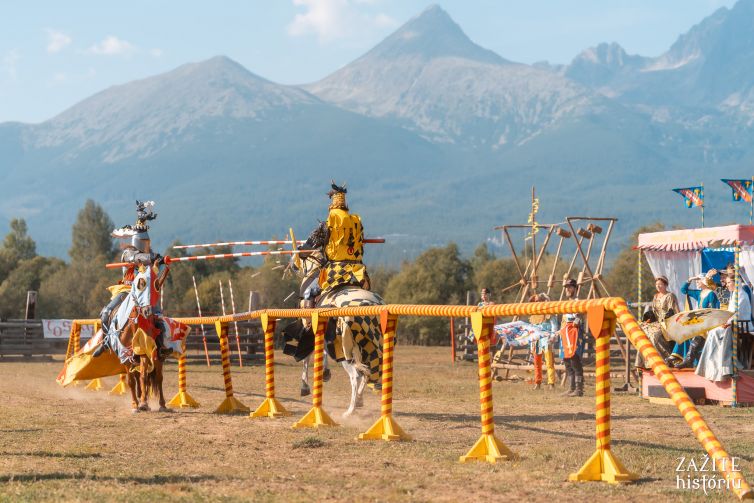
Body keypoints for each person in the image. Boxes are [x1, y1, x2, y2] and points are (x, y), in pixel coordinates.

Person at [302, 182, 370, 296]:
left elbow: (308, 246)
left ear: (332, 205)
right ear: (345, 205)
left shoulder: (327, 225)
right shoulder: (356, 223)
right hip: (359, 274)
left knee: (308, 295)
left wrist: (301, 251)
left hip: (335, 273)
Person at [695, 272, 751, 381]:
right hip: (732, 324)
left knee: (717, 332)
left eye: (729, 282)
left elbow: (737, 313)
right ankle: (712, 365)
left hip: (741, 325)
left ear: (737, 282)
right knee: (712, 332)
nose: (727, 285)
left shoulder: (741, 295)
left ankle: (725, 367)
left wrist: (728, 322)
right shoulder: (734, 294)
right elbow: (730, 313)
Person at [671, 269, 720, 368]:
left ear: (704, 281)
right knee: (683, 329)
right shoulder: (699, 293)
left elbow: (714, 310)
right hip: (699, 322)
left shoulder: (711, 294)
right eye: (696, 280)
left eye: (698, 280)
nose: (696, 282)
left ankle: (688, 360)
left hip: (707, 323)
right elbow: (683, 290)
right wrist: (690, 279)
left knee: (696, 331)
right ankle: (677, 356)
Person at [636, 276, 679, 368]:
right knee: (643, 334)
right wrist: (649, 317)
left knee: (654, 336)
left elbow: (675, 311)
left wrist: (669, 316)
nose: (658, 286)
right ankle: (646, 362)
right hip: (657, 322)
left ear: (665, 285)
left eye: (660, 284)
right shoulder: (655, 296)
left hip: (668, 323)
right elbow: (655, 312)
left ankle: (665, 361)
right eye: (656, 284)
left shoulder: (670, 296)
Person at [528, 293, 559, 390]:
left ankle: (551, 383)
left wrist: (553, 336)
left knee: (549, 362)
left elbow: (554, 324)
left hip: (546, 338)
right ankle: (538, 382)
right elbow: (531, 328)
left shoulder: (548, 311)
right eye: (536, 301)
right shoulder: (533, 314)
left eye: (538, 300)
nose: (537, 302)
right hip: (536, 339)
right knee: (537, 362)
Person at [560, 278, 585, 397]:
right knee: (567, 360)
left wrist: (577, 321)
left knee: (575, 359)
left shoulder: (578, 301)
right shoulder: (565, 303)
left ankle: (579, 389)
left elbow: (580, 315)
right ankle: (571, 388)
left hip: (574, 331)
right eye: (566, 287)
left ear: (575, 288)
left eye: (570, 287)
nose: (568, 289)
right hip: (565, 331)